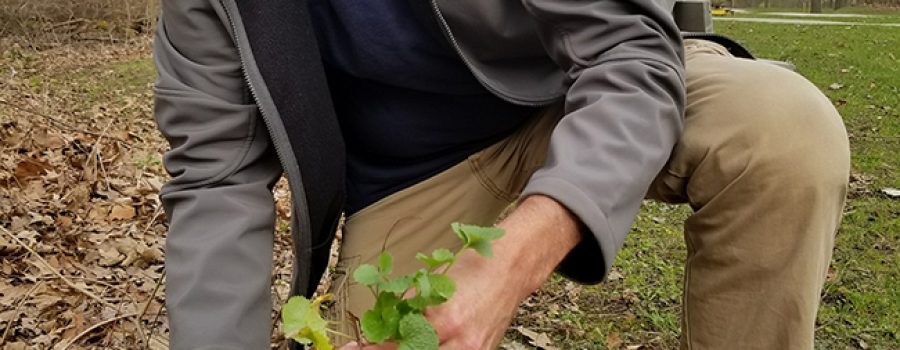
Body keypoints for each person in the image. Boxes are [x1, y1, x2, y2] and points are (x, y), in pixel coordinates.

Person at [152, 0, 850, 349]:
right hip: (410, 178)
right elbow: (215, 176)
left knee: (783, 133)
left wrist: (517, 257)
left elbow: (627, 54)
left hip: (575, 94)